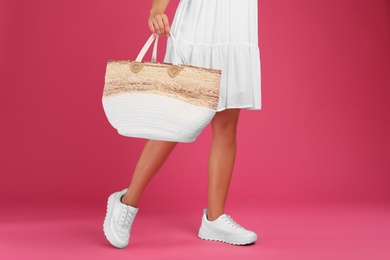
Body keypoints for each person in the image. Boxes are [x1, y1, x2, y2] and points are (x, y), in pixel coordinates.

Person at [103, 0, 261, 248]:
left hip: (236, 25)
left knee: (227, 126)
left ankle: (214, 218)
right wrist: (156, 10)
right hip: (199, 23)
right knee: (175, 120)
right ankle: (126, 201)